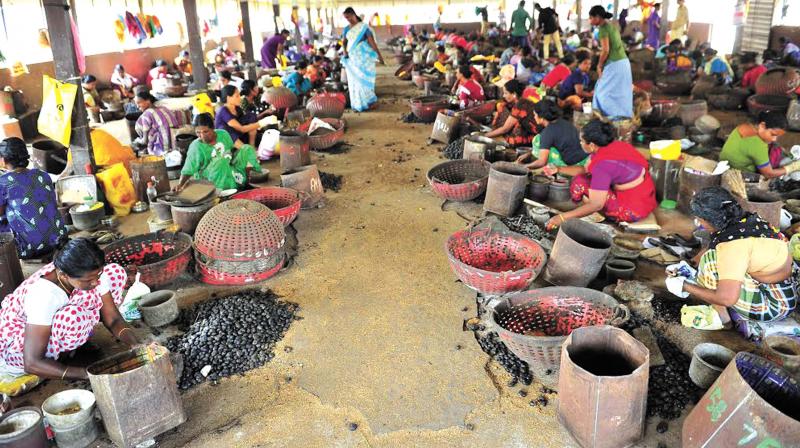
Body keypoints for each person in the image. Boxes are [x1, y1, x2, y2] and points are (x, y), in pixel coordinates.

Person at [0, 239, 138, 385]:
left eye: (97, 275)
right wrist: (87, 374)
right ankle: (60, 357)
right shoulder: (44, 295)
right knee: (74, 319)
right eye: (89, 280)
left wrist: (136, 344)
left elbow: (113, 318)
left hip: (47, 325)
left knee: (114, 273)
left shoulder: (84, 273)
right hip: (18, 346)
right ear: (63, 275)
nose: (96, 282)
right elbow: (32, 362)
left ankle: (72, 345)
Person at [669, 187, 797, 341]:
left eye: (700, 220)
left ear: (711, 220)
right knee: (711, 258)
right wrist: (689, 264)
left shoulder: (732, 247)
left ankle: (724, 319)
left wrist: (683, 286)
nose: (699, 223)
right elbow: (716, 242)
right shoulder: (747, 221)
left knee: (709, 262)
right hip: (786, 290)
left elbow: (727, 299)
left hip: (773, 305)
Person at [544, 119, 656, 229]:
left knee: (579, 185)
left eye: (581, 141)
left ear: (591, 145)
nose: (580, 143)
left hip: (633, 208)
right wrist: (558, 169)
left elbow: (596, 205)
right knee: (581, 179)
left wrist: (562, 217)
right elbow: (584, 169)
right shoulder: (613, 145)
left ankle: (611, 216)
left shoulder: (602, 166)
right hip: (644, 193)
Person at [0, 138, 66, 260]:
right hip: (59, 239)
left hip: (31, 249)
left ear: (3, 160)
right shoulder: (43, 175)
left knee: (2, 222)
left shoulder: (3, 182)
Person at [177, 113, 262, 191]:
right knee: (220, 161)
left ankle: (246, 182)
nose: (202, 136)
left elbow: (231, 151)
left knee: (247, 149)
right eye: (198, 132)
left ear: (213, 128)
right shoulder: (196, 146)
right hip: (208, 178)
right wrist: (180, 184)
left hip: (227, 168)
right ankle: (222, 192)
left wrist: (239, 160)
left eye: (206, 131)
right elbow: (188, 169)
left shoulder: (223, 134)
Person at [719, 111, 796, 178]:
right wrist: (792, 167)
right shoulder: (758, 145)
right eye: (773, 134)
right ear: (762, 125)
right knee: (769, 179)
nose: (774, 139)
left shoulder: (744, 126)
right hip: (736, 174)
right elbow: (768, 174)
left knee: (776, 149)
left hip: (722, 163)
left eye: (777, 136)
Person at [516, 99, 588, 170]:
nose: (534, 117)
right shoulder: (565, 122)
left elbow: (541, 162)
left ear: (541, 117)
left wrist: (524, 166)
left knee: (537, 140)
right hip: (586, 159)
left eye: (535, 115)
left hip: (573, 165)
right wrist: (530, 153)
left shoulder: (547, 133)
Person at [589, 6, 633, 119]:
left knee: (602, 92)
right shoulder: (612, 26)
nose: (590, 20)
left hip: (615, 63)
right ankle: (622, 117)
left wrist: (599, 65)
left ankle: (608, 118)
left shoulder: (603, 29)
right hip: (624, 63)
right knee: (620, 91)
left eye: (591, 18)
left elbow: (606, 50)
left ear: (598, 17)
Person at [342, 7, 385, 112]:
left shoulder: (364, 28)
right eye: (345, 18)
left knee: (364, 81)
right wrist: (345, 51)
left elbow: (372, 43)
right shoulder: (346, 29)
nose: (347, 19)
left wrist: (379, 56)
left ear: (353, 14)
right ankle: (357, 104)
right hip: (352, 60)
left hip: (364, 60)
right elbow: (344, 42)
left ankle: (368, 102)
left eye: (348, 17)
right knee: (354, 82)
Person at [486, 80, 538, 147]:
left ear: (514, 94)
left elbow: (505, 129)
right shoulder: (523, 100)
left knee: (511, 136)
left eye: (506, 93)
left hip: (537, 135)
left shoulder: (520, 105)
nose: (503, 96)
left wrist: (485, 136)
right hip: (535, 131)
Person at [133, 91, 186, 156]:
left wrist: (138, 141)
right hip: (175, 142)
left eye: (139, 103)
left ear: (148, 101)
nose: (137, 106)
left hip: (163, 146)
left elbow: (145, 141)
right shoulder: (163, 108)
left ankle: (156, 152)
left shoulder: (147, 114)